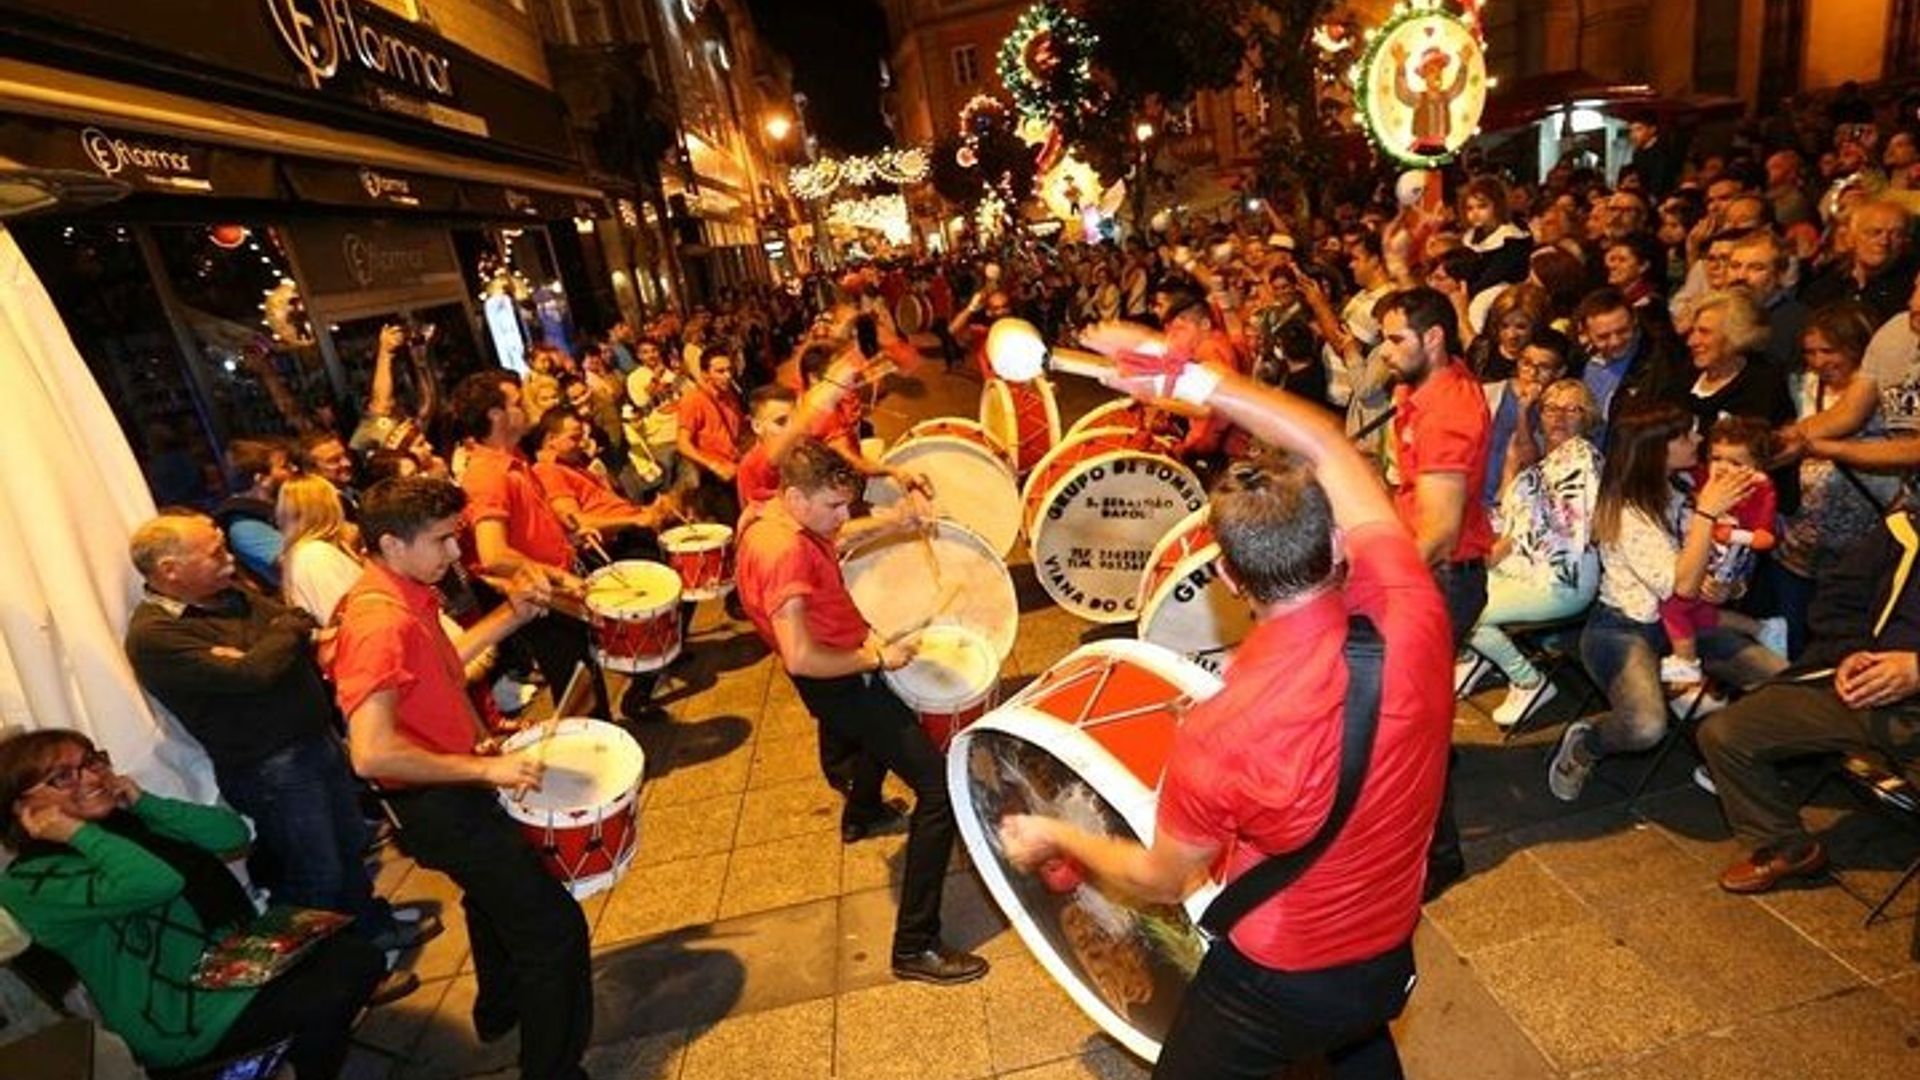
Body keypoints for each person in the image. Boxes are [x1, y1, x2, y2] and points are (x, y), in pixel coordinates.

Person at [998, 349, 1451, 1079]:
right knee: (1358, 1039)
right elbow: (1329, 445)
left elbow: (1158, 878)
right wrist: (1199, 385)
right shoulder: (1413, 609)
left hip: (1282, 973)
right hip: (1388, 942)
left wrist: (1057, 833)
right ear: (1336, 541)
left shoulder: (1222, 732)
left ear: (1228, 576)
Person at [330, 477, 593, 1080]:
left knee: (489, 900)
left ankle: (499, 1010)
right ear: (392, 543)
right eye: (444, 541)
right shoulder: (378, 624)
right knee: (552, 931)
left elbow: (444, 672)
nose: (457, 555)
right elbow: (370, 754)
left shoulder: (402, 593)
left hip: (450, 787)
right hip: (440, 803)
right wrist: (485, 768)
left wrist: (509, 616)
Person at [122, 512, 434, 976]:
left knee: (349, 844)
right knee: (314, 873)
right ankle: (346, 971)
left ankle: (371, 927)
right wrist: (277, 643)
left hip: (314, 742)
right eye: (215, 554)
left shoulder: (224, 595)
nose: (229, 560)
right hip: (270, 768)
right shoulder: (155, 636)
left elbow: (293, 617)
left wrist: (272, 643)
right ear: (170, 570)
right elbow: (256, 671)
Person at [733, 438, 989, 986]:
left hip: (844, 667)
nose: (844, 516)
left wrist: (895, 520)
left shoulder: (766, 515)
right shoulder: (787, 554)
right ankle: (915, 945)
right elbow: (801, 658)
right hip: (838, 678)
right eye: (834, 505)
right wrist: (875, 656)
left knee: (879, 733)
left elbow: (835, 535)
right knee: (938, 790)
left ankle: (863, 812)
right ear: (797, 497)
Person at [0, 729, 386, 1080]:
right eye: (62, 777)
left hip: (226, 963)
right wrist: (78, 833)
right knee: (335, 986)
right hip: (176, 1016)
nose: (89, 777)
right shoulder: (29, 881)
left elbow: (229, 833)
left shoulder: (125, 825)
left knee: (354, 956)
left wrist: (142, 801)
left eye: (91, 762)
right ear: (21, 807)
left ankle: (295, 1061)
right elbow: (155, 883)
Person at [1552, 404, 1787, 801]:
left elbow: (1729, 562)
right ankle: (1587, 743)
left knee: (1780, 679)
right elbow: (1681, 587)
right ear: (1657, 450)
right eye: (1685, 435)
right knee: (1644, 726)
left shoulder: (1684, 486)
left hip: (1689, 623)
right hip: (1624, 628)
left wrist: (1733, 589)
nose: (1698, 440)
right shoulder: (1629, 510)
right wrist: (1708, 513)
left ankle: (1726, 756)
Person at [1696, 510, 1920, 893]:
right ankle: (1787, 847)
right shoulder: (1902, 529)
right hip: (1862, 686)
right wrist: (1851, 652)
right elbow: (1837, 600)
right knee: (1727, 734)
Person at [448, 372, 622, 720]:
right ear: (496, 415)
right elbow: (494, 554)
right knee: (576, 683)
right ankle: (599, 764)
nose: (527, 407)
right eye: (517, 402)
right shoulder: (486, 474)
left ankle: (606, 755)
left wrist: (567, 537)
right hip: (542, 596)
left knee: (583, 676)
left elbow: (522, 530)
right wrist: (560, 576)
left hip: (552, 589)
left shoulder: (511, 460)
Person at [1467, 378, 1604, 726]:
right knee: (1458, 591)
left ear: (1588, 418)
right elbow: (1507, 512)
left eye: (1571, 409)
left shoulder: (1582, 459)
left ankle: (1529, 681)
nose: (1558, 417)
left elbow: (1562, 529)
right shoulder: (1549, 462)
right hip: (1526, 569)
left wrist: (1505, 545)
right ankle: (1476, 657)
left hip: (1560, 580)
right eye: (1551, 408)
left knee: (1471, 610)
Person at [1656, 416, 1781, 685]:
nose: (1723, 468)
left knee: (1676, 606)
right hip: (1695, 560)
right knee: (1688, 610)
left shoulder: (1760, 492)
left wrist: (1731, 536)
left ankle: (1686, 667)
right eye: (1717, 458)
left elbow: (1762, 539)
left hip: (1728, 564)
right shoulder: (1695, 477)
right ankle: (1761, 628)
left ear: (1757, 468)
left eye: (1736, 463)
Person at [676, 347, 747, 525]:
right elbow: (682, 444)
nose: (728, 376)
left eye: (730, 370)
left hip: (734, 470)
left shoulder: (730, 395)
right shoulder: (693, 400)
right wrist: (713, 466)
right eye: (720, 371)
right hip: (713, 477)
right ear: (705, 374)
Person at [213, 437, 295, 591]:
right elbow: (298, 563)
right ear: (261, 479)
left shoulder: (273, 510)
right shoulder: (245, 526)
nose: (293, 470)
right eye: (284, 467)